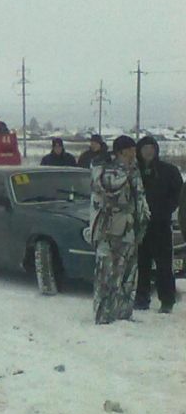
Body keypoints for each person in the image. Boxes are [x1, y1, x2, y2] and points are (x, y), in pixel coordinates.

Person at [90, 135, 149, 324]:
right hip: (109, 230)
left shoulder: (134, 170)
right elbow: (107, 188)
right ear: (122, 151)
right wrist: (126, 170)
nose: (135, 152)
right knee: (107, 274)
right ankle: (104, 315)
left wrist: (143, 222)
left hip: (130, 231)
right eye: (131, 149)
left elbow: (140, 199)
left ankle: (124, 313)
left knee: (128, 274)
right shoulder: (106, 170)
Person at [134, 136, 183, 313]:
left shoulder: (168, 171)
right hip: (139, 224)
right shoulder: (134, 171)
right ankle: (141, 298)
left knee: (163, 265)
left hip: (161, 225)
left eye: (151, 148)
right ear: (139, 151)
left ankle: (167, 300)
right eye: (145, 148)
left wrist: (165, 209)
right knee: (141, 263)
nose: (148, 152)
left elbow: (178, 193)